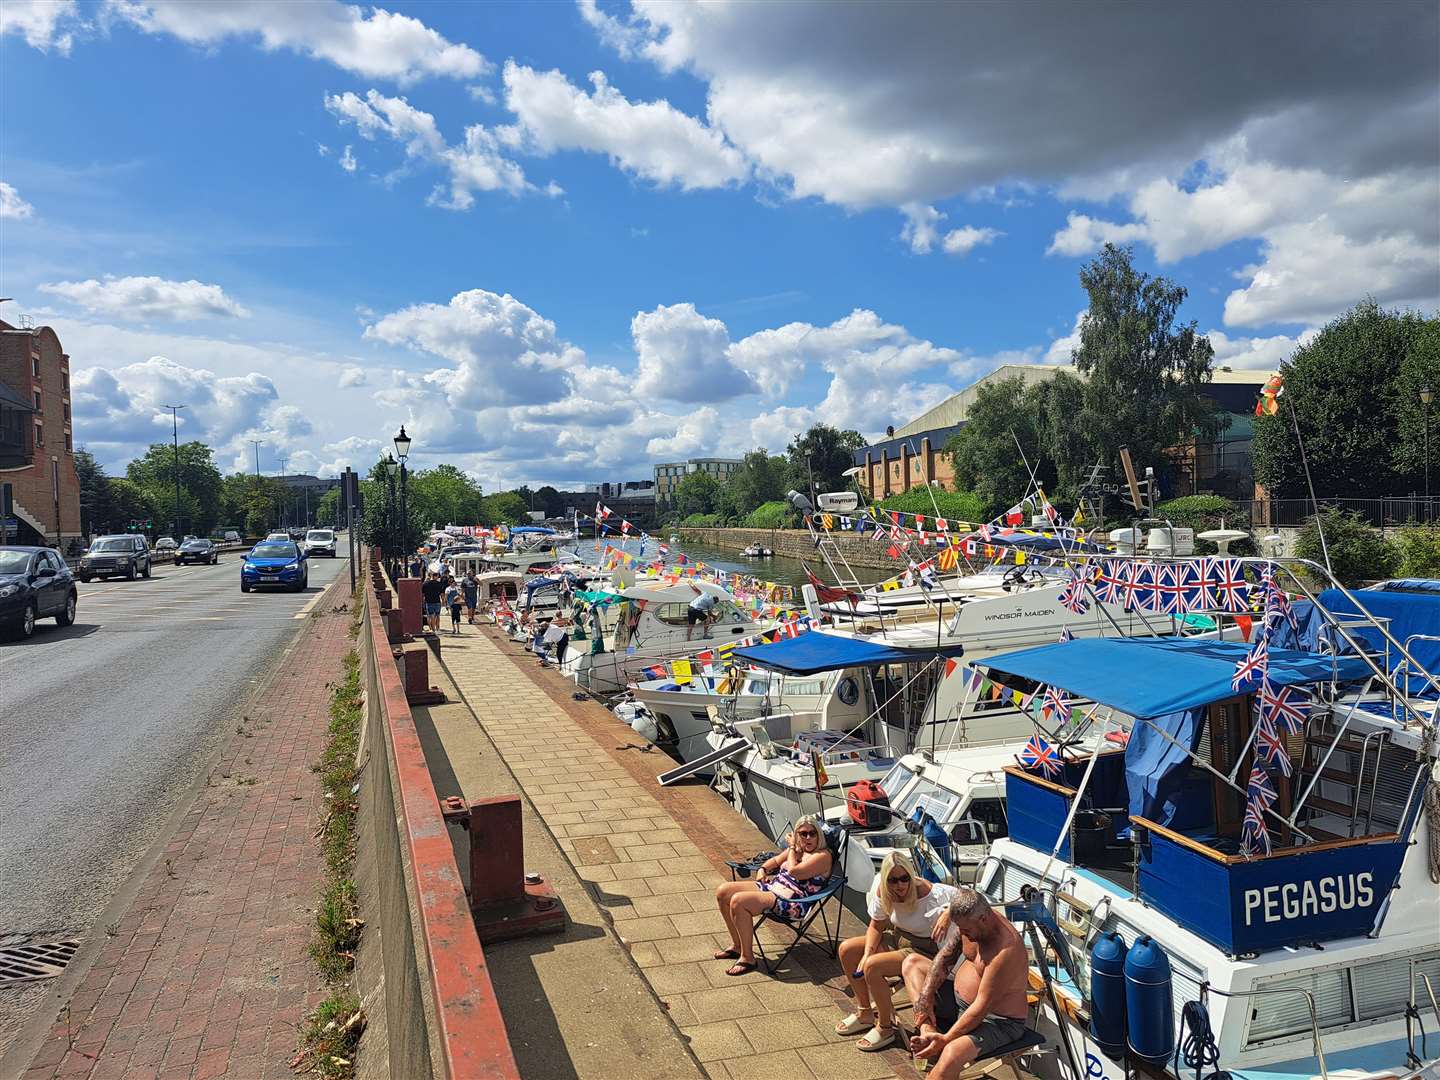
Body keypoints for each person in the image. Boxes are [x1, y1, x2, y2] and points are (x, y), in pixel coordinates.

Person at [902, 888, 1030, 1079]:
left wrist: (946, 1039)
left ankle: (936, 1045)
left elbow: (981, 1008)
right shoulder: (971, 922)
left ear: (984, 919)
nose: (962, 933)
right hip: (958, 1002)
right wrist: (926, 996)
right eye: (960, 928)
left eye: (966, 930)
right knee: (912, 963)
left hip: (996, 1021)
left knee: (952, 1053)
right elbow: (945, 958)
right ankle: (927, 1030)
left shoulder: (1005, 951)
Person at [834, 852, 956, 1052]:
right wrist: (867, 953)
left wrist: (949, 911)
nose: (899, 885)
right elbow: (875, 927)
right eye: (893, 880)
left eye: (904, 878)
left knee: (873, 967)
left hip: (925, 950)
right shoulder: (885, 892)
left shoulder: (929, 893)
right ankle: (865, 1012)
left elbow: (971, 899)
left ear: (910, 876)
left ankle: (885, 1027)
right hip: (899, 939)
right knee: (847, 949)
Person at [712, 816, 833, 976]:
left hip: (792, 902)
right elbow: (774, 861)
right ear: (797, 835)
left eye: (812, 833)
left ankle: (748, 958)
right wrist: (762, 869)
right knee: (723, 891)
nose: (808, 838)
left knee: (739, 901)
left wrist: (791, 849)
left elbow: (794, 872)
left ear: (819, 835)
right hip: (773, 888)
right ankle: (737, 946)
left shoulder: (823, 856)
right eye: (803, 834)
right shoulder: (799, 850)